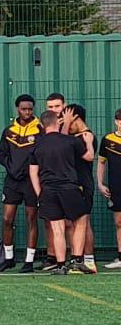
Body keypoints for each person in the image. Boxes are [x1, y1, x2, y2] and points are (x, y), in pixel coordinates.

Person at [29, 111, 96, 275]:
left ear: (42, 125)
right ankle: (76, 260)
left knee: (57, 229)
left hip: (48, 191)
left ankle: (60, 265)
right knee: (81, 220)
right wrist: (88, 142)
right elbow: (89, 157)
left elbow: (33, 172)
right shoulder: (70, 141)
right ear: (57, 123)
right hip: (69, 188)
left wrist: (40, 193)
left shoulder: (37, 144)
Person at [0, 95, 41, 273]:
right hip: (12, 182)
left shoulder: (39, 129)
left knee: (31, 219)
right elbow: (1, 154)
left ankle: (29, 261)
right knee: (7, 219)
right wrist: (11, 167)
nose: (27, 112)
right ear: (17, 109)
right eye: (24, 109)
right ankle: (9, 258)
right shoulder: (8, 131)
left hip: (31, 182)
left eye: (30, 109)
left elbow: (42, 154)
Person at [65, 104, 98, 273]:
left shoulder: (86, 137)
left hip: (83, 185)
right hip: (71, 186)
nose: (66, 124)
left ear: (76, 118)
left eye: (68, 121)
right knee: (73, 223)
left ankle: (89, 260)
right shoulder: (74, 137)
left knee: (83, 223)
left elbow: (90, 157)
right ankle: (76, 259)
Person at [98, 109, 121, 270]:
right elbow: (101, 162)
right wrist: (100, 183)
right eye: (120, 120)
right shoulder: (107, 140)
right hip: (116, 188)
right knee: (119, 222)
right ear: (116, 121)